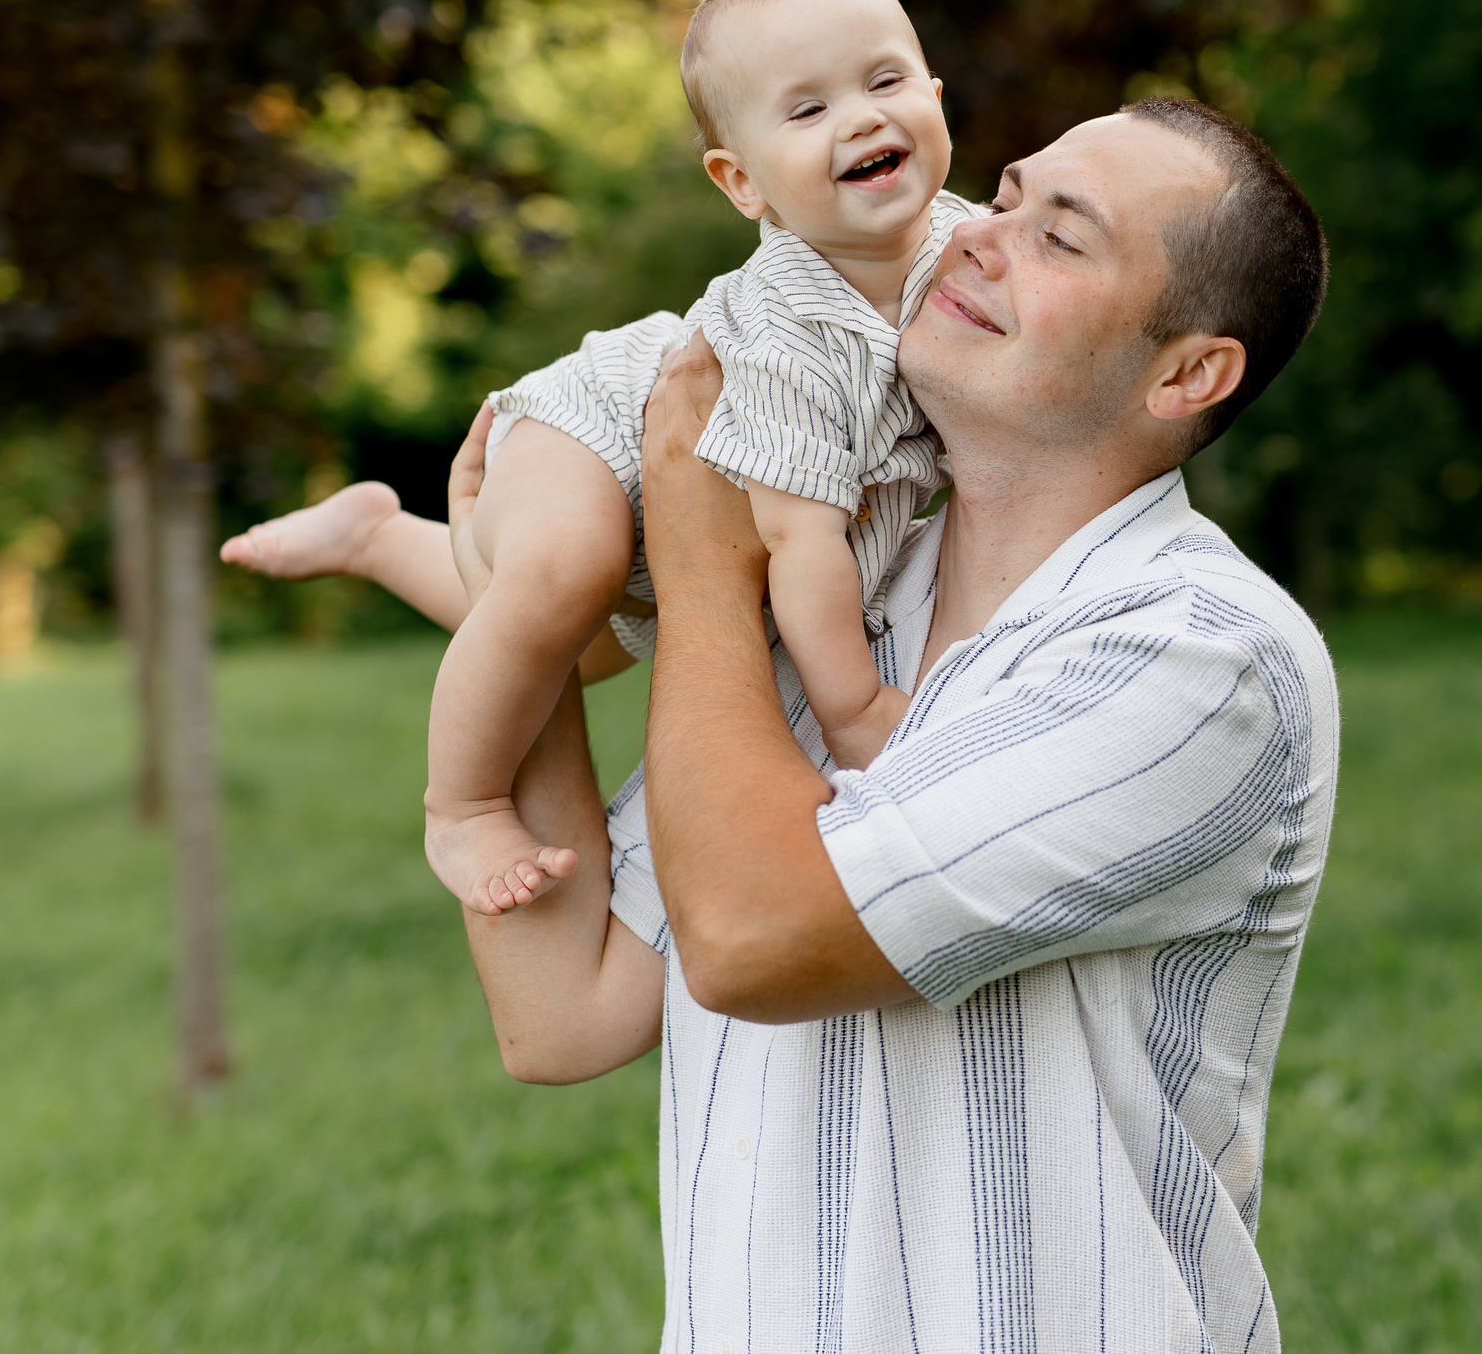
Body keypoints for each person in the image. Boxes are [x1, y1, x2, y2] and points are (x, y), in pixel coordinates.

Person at [463, 98, 1339, 1351]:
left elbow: (754, 940)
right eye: (1006, 195)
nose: (979, 236)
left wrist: (705, 566)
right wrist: (530, 589)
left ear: (1187, 373)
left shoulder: (1195, 655)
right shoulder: (847, 604)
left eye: (1062, 240)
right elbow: (562, 1011)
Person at [225, 0, 964, 916]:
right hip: (608, 425)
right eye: (807, 110)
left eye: (885, 80)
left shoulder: (972, 246)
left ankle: (375, 535)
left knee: (577, 650)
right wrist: (856, 710)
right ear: (741, 182)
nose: (863, 118)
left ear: (936, 94)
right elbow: (801, 539)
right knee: (563, 570)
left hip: (690, 508)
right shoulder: (795, 332)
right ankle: (462, 803)